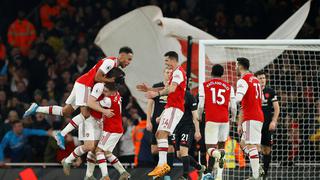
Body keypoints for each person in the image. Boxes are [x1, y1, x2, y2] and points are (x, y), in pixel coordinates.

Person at [23, 47, 133, 149]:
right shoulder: (111, 62)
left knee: (66, 111)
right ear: (122, 56)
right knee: (85, 114)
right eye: (128, 59)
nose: (129, 62)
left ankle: (36, 108)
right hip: (86, 85)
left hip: (82, 83)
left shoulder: (112, 62)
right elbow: (97, 77)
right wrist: (111, 81)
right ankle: (61, 134)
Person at [138, 51, 187, 178]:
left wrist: (156, 94)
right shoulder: (176, 73)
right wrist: (150, 89)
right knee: (159, 134)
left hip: (175, 108)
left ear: (172, 60)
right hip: (170, 108)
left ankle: (163, 165)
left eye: (166, 61)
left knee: (163, 135)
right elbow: (166, 88)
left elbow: (171, 89)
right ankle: (162, 164)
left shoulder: (178, 72)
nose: (165, 63)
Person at [198, 64, 237, 180]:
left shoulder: (204, 85)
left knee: (210, 149)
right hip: (224, 120)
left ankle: (214, 164)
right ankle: (218, 176)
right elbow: (234, 107)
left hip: (212, 119)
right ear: (222, 74)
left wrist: (200, 116)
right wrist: (233, 118)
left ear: (211, 73)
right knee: (221, 147)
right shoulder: (229, 87)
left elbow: (200, 105)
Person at [235, 57, 264, 179]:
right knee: (242, 143)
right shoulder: (256, 80)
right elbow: (261, 99)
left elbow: (238, 98)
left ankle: (256, 175)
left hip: (251, 116)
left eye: (236, 65)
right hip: (257, 115)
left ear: (240, 66)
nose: (235, 67)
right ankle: (257, 165)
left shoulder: (243, 80)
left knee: (251, 145)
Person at [94, 84, 130, 180]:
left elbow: (93, 104)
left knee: (98, 151)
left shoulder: (108, 100)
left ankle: (105, 176)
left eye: (105, 91)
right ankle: (124, 172)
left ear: (112, 91)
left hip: (111, 129)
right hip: (117, 128)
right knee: (107, 153)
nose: (103, 93)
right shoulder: (117, 94)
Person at [145, 67, 175, 179]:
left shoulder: (174, 88)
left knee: (170, 148)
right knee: (154, 150)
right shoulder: (157, 86)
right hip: (156, 121)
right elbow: (149, 104)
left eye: (171, 73)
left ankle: (168, 175)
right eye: (167, 72)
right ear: (163, 73)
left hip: (170, 121)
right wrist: (148, 120)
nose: (168, 74)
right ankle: (158, 170)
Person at [173, 90, 205, 180]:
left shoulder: (189, 96)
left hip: (187, 127)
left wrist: (197, 130)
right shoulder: (172, 94)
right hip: (177, 128)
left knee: (183, 152)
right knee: (179, 155)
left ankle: (185, 176)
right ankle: (199, 167)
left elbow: (195, 115)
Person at [255, 70, 280, 179]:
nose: (262, 80)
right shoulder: (252, 91)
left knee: (266, 150)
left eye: (264, 78)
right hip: (255, 123)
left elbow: (277, 108)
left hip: (267, 124)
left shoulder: (270, 91)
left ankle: (264, 174)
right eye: (260, 78)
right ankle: (255, 172)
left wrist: (273, 121)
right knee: (255, 148)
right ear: (256, 79)